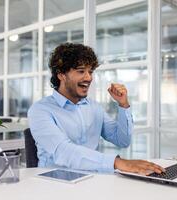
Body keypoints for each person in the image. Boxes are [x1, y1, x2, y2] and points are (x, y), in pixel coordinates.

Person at [28, 43, 165, 175]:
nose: (88, 77)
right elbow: (63, 151)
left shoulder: (94, 107)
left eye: (90, 71)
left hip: (93, 179)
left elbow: (122, 141)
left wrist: (123, 105)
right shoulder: (40, 110)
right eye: (81, 71)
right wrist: (117, 162)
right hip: (53, 183)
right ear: (61, 75)